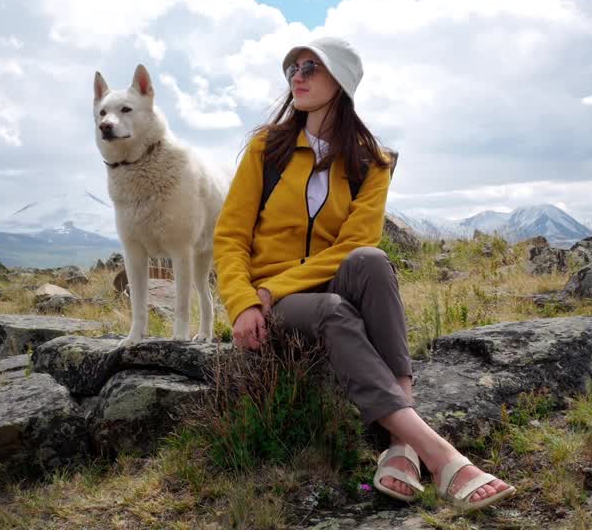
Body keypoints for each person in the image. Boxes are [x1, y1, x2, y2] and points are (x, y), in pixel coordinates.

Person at [212, 37, 516, 511]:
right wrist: (246, 300)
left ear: (342, 81)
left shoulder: (371, 161)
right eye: (294, 66)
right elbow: (229, 237)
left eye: (312, 67)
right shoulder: (266, 149)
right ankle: (440, 456)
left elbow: (354, 246)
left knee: (371, 260)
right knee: (333, 309)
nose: (298, 74)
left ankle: (401, 447)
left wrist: (276, 287)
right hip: (278, 305)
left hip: (303, 287)